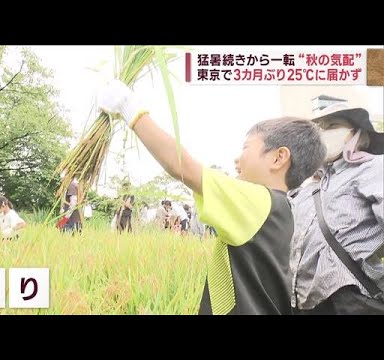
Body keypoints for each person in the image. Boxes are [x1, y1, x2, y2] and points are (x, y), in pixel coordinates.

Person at [97, 80, 326, 315]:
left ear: (278, 158)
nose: (238, 160)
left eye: (246, 148)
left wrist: (130, 109)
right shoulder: (282, 207)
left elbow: (182, 166)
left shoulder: (259, 201)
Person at [290, 103, 384, 315]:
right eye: (319, 129)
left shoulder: (373, 168)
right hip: (305, 301)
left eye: (332, 125)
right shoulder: (310, 186)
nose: (324, 134)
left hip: (353, 298)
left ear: (355, 133)